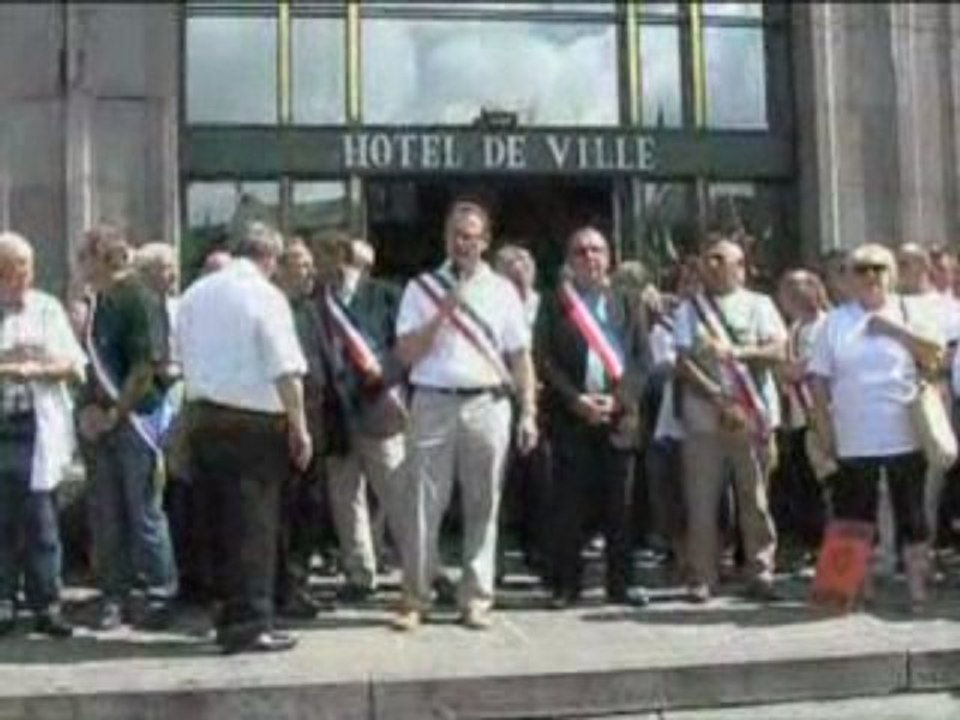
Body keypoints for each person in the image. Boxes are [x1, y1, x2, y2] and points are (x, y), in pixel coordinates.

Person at [391, 199, 538, 631]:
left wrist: (528, 410)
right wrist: (443, 313)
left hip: (487, 402)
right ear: (446, 238)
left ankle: (476, 597)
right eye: (456, 235)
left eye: (472, 237)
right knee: (423, 504)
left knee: (483, 503)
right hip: (433, 398)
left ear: (486, 241)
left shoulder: (503, 291)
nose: (463, 244)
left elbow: (520, 356)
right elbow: (405, 353)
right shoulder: (421, 288)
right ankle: (415, 597)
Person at [177, 222, 311, 653]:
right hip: (253, 423)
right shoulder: (265, 296)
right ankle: (250, 622)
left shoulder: (195, 294)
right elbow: (285, 367)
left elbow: (181, 356)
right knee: (254, 527)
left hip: (203, 416)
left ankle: (224, 611)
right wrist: (300, 425)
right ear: (269, 258)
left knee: (216, 524)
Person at [809, 243, 944, 610]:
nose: (871, 277)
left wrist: (894, 331)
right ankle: (853, 590)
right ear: (849, 279)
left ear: (892, 275)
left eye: (879, 269)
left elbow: (935, 356)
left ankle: (917, 592)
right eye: (862, 270)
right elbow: (818, 381)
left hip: (905, 433)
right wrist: (824, 429)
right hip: (853, 437)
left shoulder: (909, 312)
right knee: (854, 516)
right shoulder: (834, 322)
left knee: (912, 515)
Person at [535, 227, 652, 608]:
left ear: (609, 258)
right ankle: (567, 585)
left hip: (619, 421)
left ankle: (621, 584)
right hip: (572, 418)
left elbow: (641, 361)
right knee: (570, 506)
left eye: (597, 250)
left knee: (622, 507)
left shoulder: (629, 301)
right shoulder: (555, 303)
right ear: (570, 260)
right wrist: (576, 401)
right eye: (581, 251)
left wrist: (617, 401)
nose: (590, 257)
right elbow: (545, 361)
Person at [674, 235, 787, 603]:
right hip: (705, 414)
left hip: (750, 414)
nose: (716, 266)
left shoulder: (760, 304)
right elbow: (683, 362)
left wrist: (738, 351)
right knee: (701, 500)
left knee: (754, 498)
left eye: (725, 260)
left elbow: (778, 350)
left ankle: (761, 571)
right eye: (710, 260)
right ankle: (703, 576)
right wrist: (717, 395)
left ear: (742, 267)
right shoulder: (689, 309)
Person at [75, 224, 178, 630]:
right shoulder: (98, 301)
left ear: (105, 256)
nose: (80, 264)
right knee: (105, 513)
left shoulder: (138, 297)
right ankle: (112, 593)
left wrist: (115, 413)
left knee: (143, 511)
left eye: (84, 256)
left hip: (135, 420)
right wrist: (87, 411)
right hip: (101, 422)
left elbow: (144, 366)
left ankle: (159, 592)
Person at [0, 232, 87, 638]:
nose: (22, 277)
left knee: (40, 518)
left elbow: (72, 364)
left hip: (33, 428)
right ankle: (4, 601)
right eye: (13, 269)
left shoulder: (47, 310)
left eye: (26, 269)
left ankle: (47, 603)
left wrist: (34, 369)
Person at [319, 236, 407, 603]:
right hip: (337, 411)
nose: (318, 265)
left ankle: (424, 569)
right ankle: (359, 573)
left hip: (378, 406)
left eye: (322, 256)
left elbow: (405, 346)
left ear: (343, 258)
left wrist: (383, 376)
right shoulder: (316, 302)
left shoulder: (384, 295)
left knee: (398, 492)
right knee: (345, 495)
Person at [271, 238, 329, 618]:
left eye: (312, 264)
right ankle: (283, 586)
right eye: (302, 265)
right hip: (286, 420)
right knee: (286, 508)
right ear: (281, 267)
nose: (311, 272)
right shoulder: (274, 309)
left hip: (317, 417)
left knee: (311, 506)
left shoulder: (311, 310)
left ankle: (299, 581)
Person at [771, 268, 831, 564]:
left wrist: (793, 369)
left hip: (821, 416)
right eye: (787, 290)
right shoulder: (792, 329)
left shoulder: (827, 325)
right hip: (796, 418)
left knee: (827, 485)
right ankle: (813, 545)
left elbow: (812, 366)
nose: (792, 296)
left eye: (799, 289)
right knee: (804, 487)